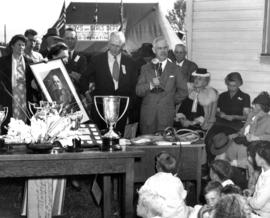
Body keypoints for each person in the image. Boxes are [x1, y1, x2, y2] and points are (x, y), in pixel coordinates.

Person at [80, 31, 138, 135]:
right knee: (100, 139)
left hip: (122, 109)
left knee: (118, 139)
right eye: (112, 45)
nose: (115, 49)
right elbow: (83, 78)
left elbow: (134, 86)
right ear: (108, 43)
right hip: (100, 107)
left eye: (118, 46)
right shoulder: (97, 60)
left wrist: (130, 107)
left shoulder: (130, 62)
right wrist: (87, 94)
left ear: (123, 46)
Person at [136, 36, 188, 134]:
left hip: (166, 115)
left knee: (164, 146)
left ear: (168, 49)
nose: (163, 51)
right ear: (154, 50)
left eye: (165, 48)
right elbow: (138, 91)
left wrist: (171, 100)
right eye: (159, 48)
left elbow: (184, 91)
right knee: (147, 145)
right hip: (148, 115)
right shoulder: (145, 68)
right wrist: (150, 85)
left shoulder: (176, 69)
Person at [205, 72, 250, 162]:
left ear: (239, 84)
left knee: (224, 141)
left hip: (235, 125)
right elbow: (216, 111)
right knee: (208, 139)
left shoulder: (245, 97)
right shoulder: (222, 96)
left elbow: (246, 116)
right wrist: (221, 114)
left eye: (234, 86)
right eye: (229, 85)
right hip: (220, 123)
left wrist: (234, 117)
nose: (231, 88)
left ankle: (224, 165)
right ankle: (209, 164)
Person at [216, 91, 270, 164]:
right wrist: (237, 134)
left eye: (256, 105)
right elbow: (244, 129)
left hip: (255, 144)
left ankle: (236, 167)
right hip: (242, 139)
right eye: (254, 104)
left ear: (263, 107)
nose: (253, 106)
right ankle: (224, 166)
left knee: (240, 150)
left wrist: (257, 138)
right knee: (223, 146)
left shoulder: (267, 119)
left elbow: (268, 136)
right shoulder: (251, 115)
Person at [0, 34, 39, 132]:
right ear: (12, 46)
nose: (21, 47)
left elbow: (35, 81)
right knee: (8, 125)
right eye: (19, 45)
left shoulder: (30, 62)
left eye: (23, 45)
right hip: (9, 97)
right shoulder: (3, 62)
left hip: (25, 97)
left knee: (25, 125)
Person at [137, 152, 189, 218]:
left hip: (162, 215)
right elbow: (183, 197)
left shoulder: (151, 180)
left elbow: (143, 198)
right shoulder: (177, 180)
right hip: (180, 214)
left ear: (157, 166)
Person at [248, 141, 270, 217]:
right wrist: (252, 191)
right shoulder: (264, 171)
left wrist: (247, 199)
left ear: (262, 159)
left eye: (255, 155)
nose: (254, 157)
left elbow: (257, 204)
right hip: (256, 212)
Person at [64, 27, 87, 93]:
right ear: (63, 39)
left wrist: (68, 72)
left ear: (76, 40)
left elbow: (82, 78)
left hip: (76, 92)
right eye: (67, 38)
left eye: (72, 38)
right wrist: (72, 73)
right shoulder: (57, 56)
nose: (70, 41)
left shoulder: (82, 58)